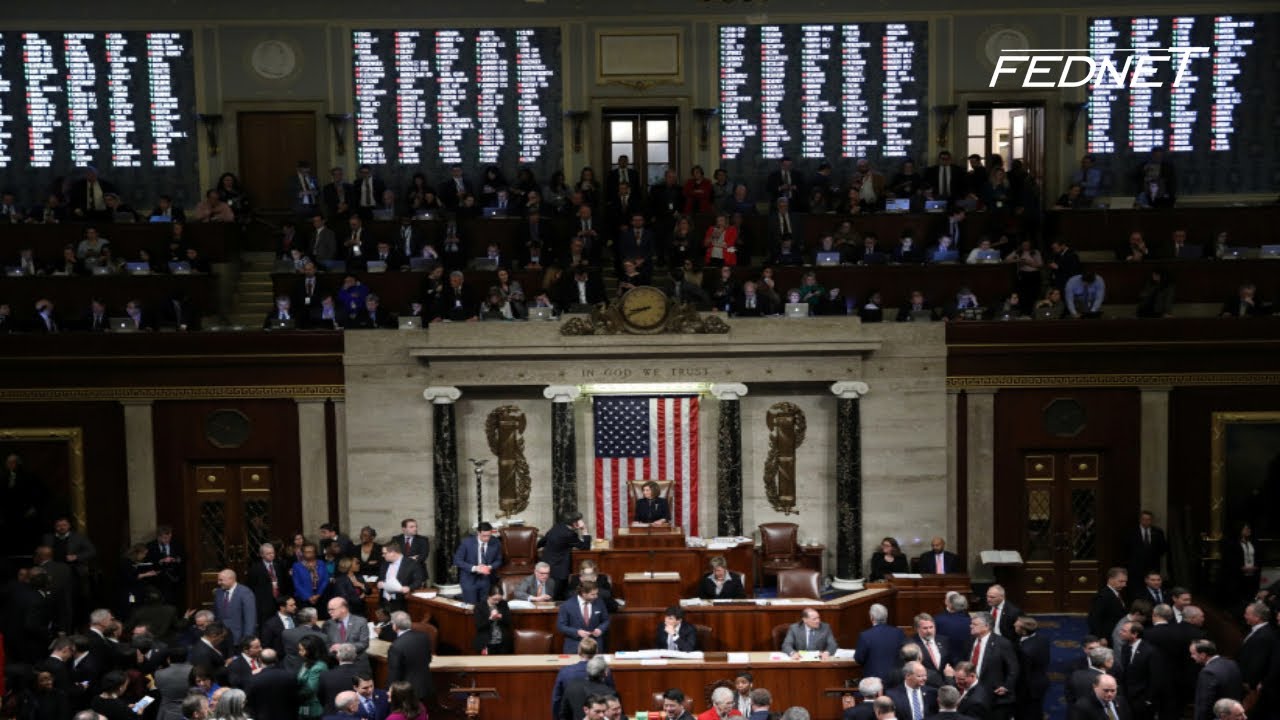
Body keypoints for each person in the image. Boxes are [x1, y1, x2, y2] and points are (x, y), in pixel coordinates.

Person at [966, 612, 1019, 720]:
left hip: (994, 695)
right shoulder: (970, 640)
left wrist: (1006, 686)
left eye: (974, 624)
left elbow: (1013, 668)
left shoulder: (1002, 643)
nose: (970, 626)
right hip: (972, 692)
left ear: (986, 626)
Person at [540, 512, 593, 600]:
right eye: (579, 520)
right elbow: (585, 548)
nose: (581, 522)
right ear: (574, 523)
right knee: (557, 596)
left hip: (546, 563)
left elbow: (543, 541)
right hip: (559, 568)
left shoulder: (557, 526)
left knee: (549, 592)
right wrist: (584, 530)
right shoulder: (569, 534)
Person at [453, 521, 504, 606]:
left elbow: (499, 560)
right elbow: (457, 560)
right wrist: (475, 568)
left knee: (484, 606)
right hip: (469, 579)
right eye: (484, 536)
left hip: (486, 579)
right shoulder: (466, 543)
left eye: (489, 535)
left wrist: (489, 567)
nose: (487, 538)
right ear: (478, 533)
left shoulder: (495, 542)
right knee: (471, 607)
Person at [386, 612, 433, 703]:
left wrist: (390, 690)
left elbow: (394, 673)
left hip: (407, 692)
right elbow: (428, 659)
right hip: (426, 685)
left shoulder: (396, 646)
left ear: (394, 626)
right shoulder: (423, 636)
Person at [557, 580, 611, 653]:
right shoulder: (567, 605)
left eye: (596, 594)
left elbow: (606, 620)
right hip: (574, 646)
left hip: (595, 645)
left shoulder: (599, 602)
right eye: (593, 594)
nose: (596, 596)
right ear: (584, 594)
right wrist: (577, 632)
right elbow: (561, 626)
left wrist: (600, 629)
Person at [855, 603, 907, 676]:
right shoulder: (899, 633)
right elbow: (905, 654)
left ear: (871, 617)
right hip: (896, 678)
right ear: (886, 616)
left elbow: (859, 659)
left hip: (874, 680)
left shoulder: (865, 635)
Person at [1013, 617, 1049, 720]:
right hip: (1041, 679)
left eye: (1016, 626)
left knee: (1027, 713)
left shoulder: (1025, 651)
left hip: (1029, 689)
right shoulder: (1042, 639)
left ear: (1024, 632)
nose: (1014, 625)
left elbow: (1023, 675)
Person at [377, 541, 425, 614]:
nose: (382, 555)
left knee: (398, 625)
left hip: (401, 603)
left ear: (393, 552)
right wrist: (379, 582)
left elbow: (418, 581)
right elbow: (380, 578)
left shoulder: (412, 564)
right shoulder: (384, 564)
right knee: (384, 625)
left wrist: (409, 588)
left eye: (384, 553)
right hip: (384, 602)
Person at [1221, 523, 1262, 604]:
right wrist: (1240, 568)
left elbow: (1259, 556)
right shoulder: (1232, 543)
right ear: (1239, 530)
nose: (1249, 530)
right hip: (1238, 576)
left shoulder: (1254, 542)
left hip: (1252, 575)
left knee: (1251, 596)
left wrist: (1256, 567)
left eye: (1249, 528)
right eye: (1246, 529)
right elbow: (1229, 559)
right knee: (1238, 598)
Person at [213, 569, 256, 644]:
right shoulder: (218, 592)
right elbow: (216, 615)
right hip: (221, 638)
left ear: (231, 579)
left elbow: (250, 619)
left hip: (238, 638)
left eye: (221, 580)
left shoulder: (245, 592)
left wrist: (247, 640)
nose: (218, 583)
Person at [1089, 568, 1130, 640]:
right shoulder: (1102, 596)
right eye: (1121, 581)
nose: (1124, 585)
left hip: (1116, 634)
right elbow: (1094, 619)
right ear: (1110, 580)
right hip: (1107, 637)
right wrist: (1101, 637)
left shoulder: (1120, 593)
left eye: (1125, 582)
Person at [474, 584, 514, 655]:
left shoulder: (503, 604)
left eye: (499, 599)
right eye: (495, 599)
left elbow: (509, 622)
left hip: (503, 643)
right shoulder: (480, 606)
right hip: (486, 643)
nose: (497, 602)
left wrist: (501, 617)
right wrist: (490, 619)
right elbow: (479, 626)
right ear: (489, 596)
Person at [291, 543, 330, 610]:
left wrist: (318, 595)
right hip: (303, 598)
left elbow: (325, 580)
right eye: (306, 552)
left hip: (320, 596)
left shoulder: (321, 563)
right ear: (302, 553)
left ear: (315, 553)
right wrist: (308, 597)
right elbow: (297, 584)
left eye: (311, 552)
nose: (308, 554)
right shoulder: (297, 566)